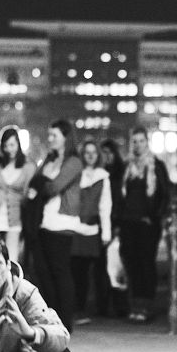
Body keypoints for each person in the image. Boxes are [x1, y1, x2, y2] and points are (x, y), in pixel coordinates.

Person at [27, 119, 82, 331]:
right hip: (42, 221)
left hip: (61, 222)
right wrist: (39, 186)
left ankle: (66, 320)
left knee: (60, 271)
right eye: (49, 135)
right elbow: (34, 184)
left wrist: (39, 186)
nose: (50, 139)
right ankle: (52, 316)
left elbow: (53, 187)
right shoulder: (48, 160)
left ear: (66, 138)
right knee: (43, 271)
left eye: (54, 136)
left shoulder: (73, 161)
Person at [116, 126, 171, 322]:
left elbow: (165, 194)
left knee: (146, 263)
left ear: (147, 143)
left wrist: (155, 216)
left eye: (141, 141)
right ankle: (135, 304)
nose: (138, 145)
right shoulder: (127, 167)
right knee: (131, 263)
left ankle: (147, 305)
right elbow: (119, 196)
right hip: (128, 223)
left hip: (148, 223)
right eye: (135, 141)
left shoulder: (156, 166)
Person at [70, 139, 112, 325]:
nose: (90, 155)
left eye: (93, 152)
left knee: (97, 272)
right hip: (75, 229)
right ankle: (78, 308)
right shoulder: (76, 175)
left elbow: (105, 207)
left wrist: (106, 233)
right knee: (77, 272)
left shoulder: (103, 177)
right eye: (87, 152)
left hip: (93, 230)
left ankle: (100, 307)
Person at [0, 125, 37, 262]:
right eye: (5, 146)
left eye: (12, 145)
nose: (9, 149)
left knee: (12, 261)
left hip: (15, 217)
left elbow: (26, 194)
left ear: (18, 144)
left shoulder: (28, 166)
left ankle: (10, 283)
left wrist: (31, 195)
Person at [99, 138, 129, 317]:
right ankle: (103, 305)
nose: (107, 157)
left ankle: (120, 306)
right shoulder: (100, 172)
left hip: (116, 223)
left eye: (109, 153)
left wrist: (117, 225)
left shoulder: (120, 172)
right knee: (102, 268)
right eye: (104, 153)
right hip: (103, 224)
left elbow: (121, 200)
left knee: (117, 268)